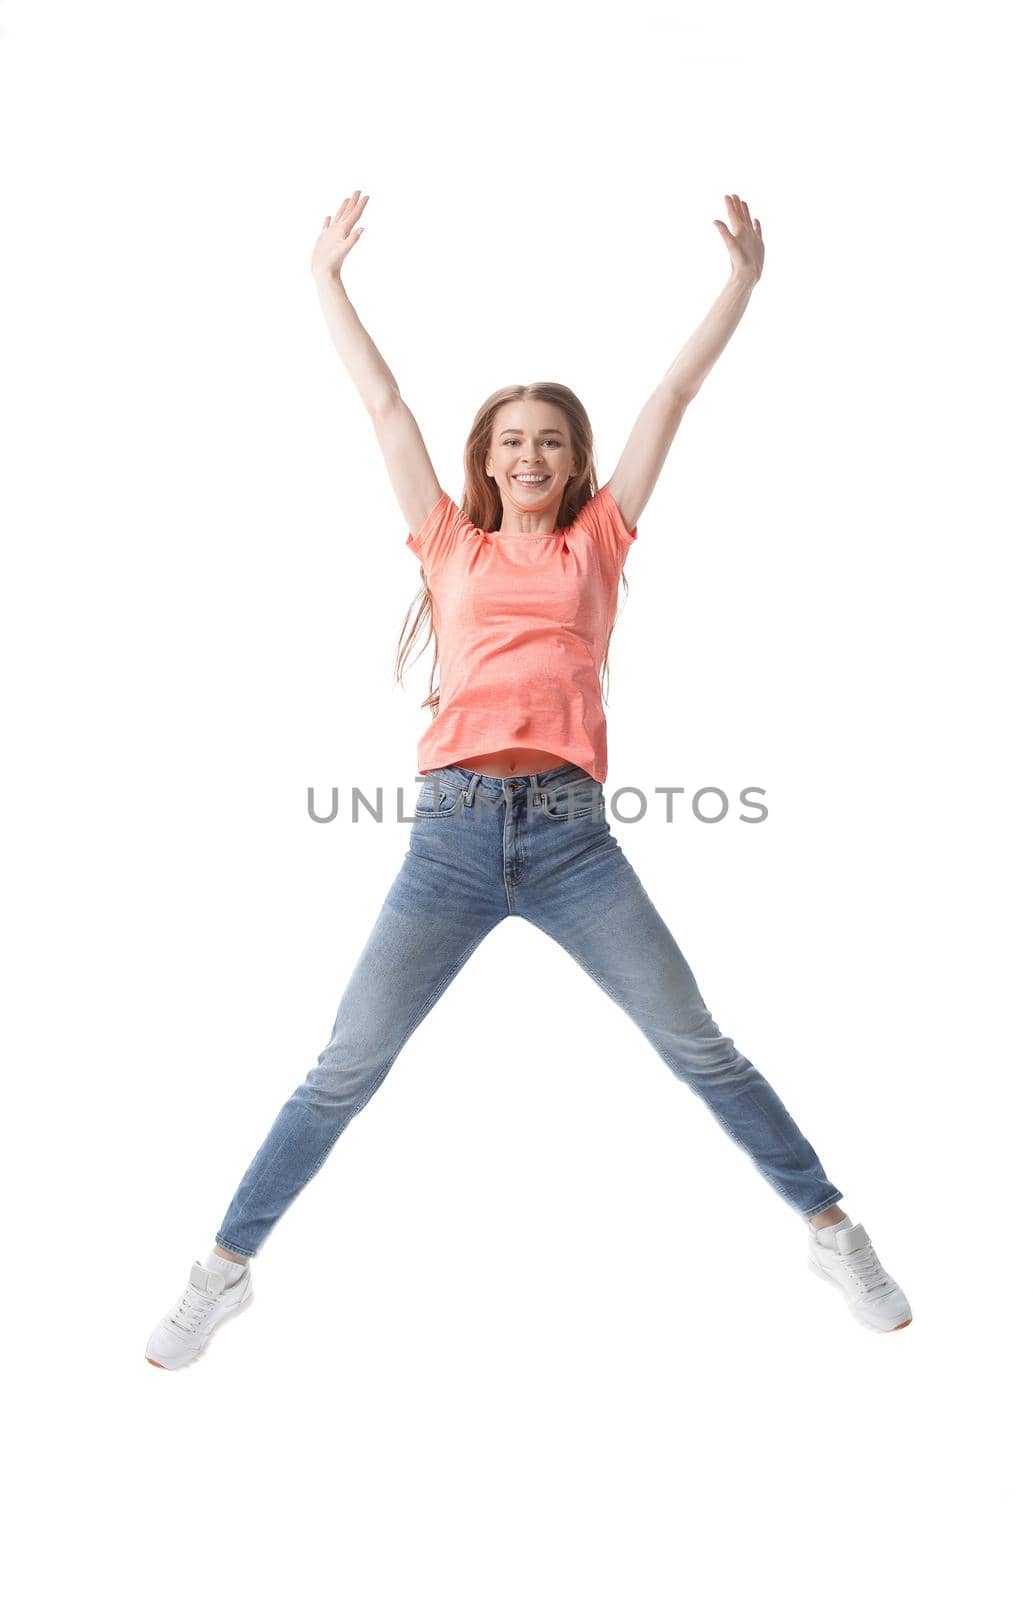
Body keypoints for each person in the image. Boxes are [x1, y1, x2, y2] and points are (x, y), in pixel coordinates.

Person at [145, 189, 911, 1369]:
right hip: (449, 840)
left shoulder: (595, 541)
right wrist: (326, 281)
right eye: (512, 440)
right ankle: (222, 1270)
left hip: (570, 839)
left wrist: (739, 286)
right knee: (346, 1065)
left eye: (550, 438)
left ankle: (830, 1228)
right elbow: (384, 403)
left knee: (695, 1041)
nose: (531, 454)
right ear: (487, 461)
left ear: (572, 459)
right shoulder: (446, 541)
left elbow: (671, 398)